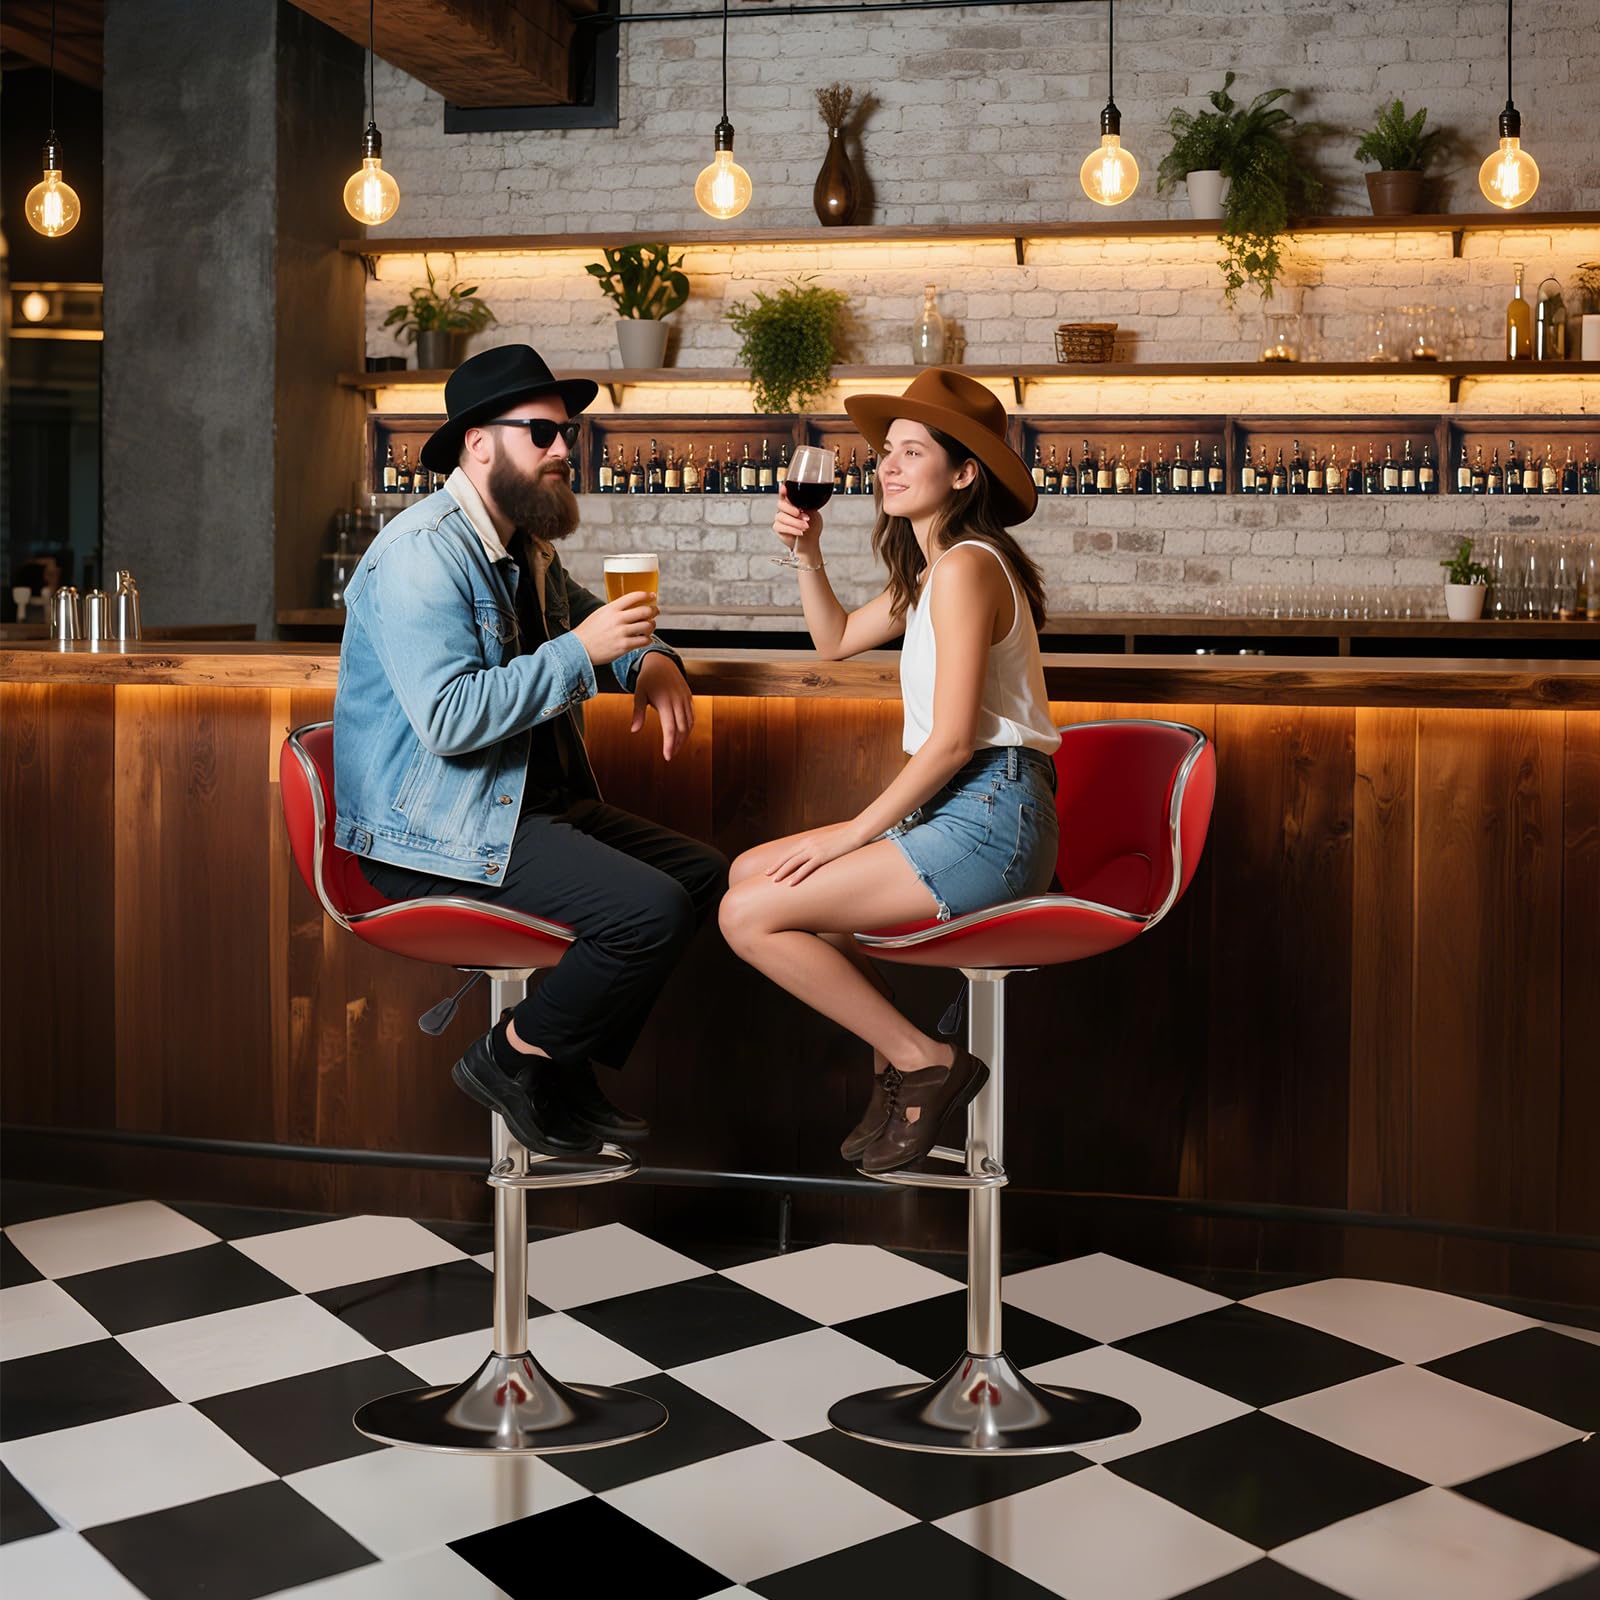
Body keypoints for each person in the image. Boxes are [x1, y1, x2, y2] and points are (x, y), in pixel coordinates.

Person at [333, 344, 727, 1157]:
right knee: (649, 913)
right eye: (542, 433)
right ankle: (513, 1057)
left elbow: (596, 626)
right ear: (479, 443)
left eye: (566, 434)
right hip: (432, 832)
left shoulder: (525, 546)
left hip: (519, 807)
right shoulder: (421, 553)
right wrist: (583, 653)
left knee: (704, 878)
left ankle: (556, 1062)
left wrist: (650, 663)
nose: (562, 450)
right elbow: (448, 718)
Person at [718, 368, 1060, 1175]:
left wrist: (848, 836)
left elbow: (951, 744)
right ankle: (899, 1060)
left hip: (994, 816)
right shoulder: (933, 573)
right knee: (748, 873)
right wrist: (807, 555)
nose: (889, 466)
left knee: (747, 915)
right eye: (887, 452)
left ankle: (922, 1061)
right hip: (965, 808)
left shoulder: (969, 566)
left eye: (913, 452)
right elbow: (834, 640)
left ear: (964, 473)